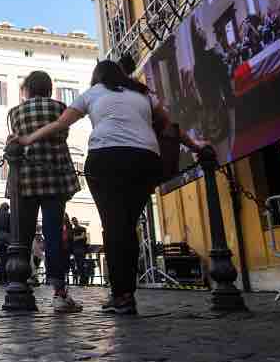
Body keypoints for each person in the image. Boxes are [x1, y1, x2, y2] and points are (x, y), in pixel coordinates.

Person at [13, 59, 203, 315]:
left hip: (104, 159)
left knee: (113, 226)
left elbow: (60, 124)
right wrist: (197, 146)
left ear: (97, 77)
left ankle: (120, 295)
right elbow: (170, 127)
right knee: (128, 226)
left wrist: (27, 139)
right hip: (144, 159)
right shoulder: (144, 95)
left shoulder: (93, 93)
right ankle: (126, 293)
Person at [3, 70, 84, 311]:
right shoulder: (60, 107)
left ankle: (22, 284)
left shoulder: (15, 112)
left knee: (23, 236)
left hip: (24, 180)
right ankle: (59, 294)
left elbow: (15, 138)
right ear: (49, 88)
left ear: (26, 89)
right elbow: (63, 133)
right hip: (54, 178)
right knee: (53, 235)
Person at [70, 218, 89, 286]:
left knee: (81, 264)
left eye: (75, 220)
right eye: (73, 221)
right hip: (77, 249)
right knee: (79, 265)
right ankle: (82, 281)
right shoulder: (73, 230)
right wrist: (79, 237)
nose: (74, 222)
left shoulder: (82, 228)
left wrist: (76, 238)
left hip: (80, 248)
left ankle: (83, 281)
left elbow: (82, 237)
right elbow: (74, 238)